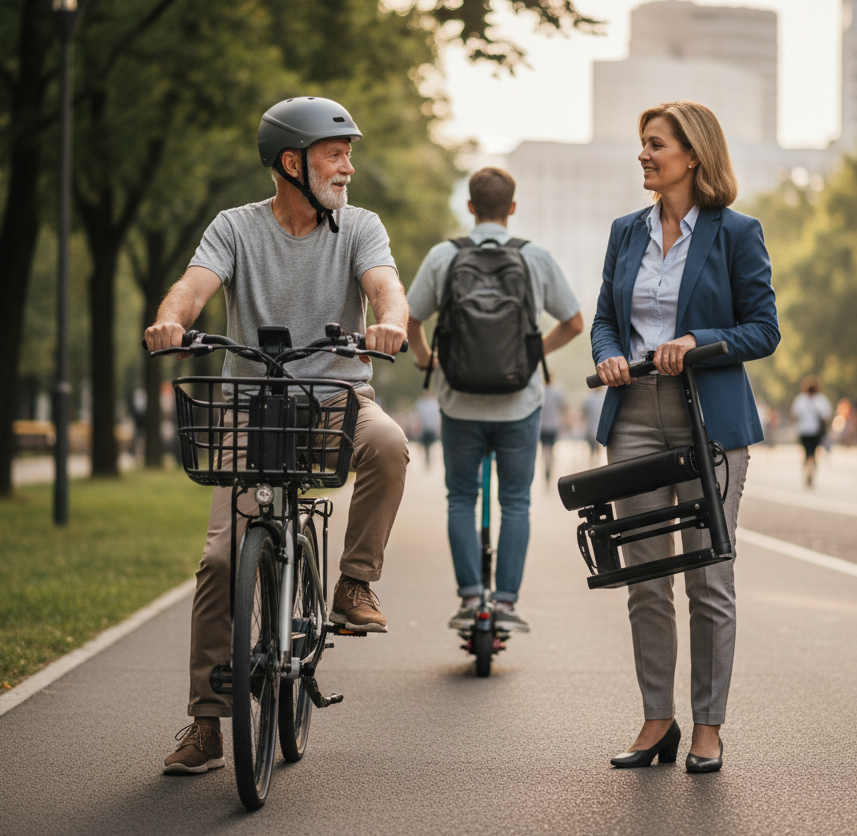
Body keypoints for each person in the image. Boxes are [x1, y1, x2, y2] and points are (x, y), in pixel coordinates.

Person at [145, 96, 410, 775]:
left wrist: (391, 321)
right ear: (291, 163)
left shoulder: (360, 228)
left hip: (336, 401)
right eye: (335, 153)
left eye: (349, 152)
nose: (348, 165)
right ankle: (206, 724)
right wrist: (171, 320)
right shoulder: (235, 228)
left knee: (388, 444)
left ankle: (354, 584)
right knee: (222, 561)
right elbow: (192, 287)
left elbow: (387, 287)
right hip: (248, 407)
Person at [591, 101, 779, 773]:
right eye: (642, 145)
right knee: (645, 579)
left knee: (708, 578)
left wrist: (699, 341)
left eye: (655, 145)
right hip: (634, 417)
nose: (644, 155)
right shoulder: (625, 232)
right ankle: (655, 721)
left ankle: (707, 726)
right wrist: (611, 353)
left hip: (711, 422)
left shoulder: (736, 233)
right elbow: (606, 319)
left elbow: (764, 329)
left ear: (692, 155)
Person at [406, 167, 583, 633]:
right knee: (516, 501)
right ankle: (504, 602)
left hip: (458, 400)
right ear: (512, 208)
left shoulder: (444, 256)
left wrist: (429, 362)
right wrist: (532, 354)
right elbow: (574, 323)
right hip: (519, 403)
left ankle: (468, 598)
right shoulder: (535, 257)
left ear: (469, 207)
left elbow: (410, 318)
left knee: (461, 498)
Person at [790, 376, 832, 487]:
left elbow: (794, 415)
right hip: (813, 431)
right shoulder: (820, 400)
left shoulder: (801, 400)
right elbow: (826, 416)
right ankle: (811, 470)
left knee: (807, 453)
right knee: (812, 453)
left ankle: (808, 471)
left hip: (806, 431)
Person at [539, 382, 567, 482]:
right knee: (551, 447)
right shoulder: (557, 392)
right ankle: (550, 462)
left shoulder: (540, 390)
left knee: (544, 447)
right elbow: (563, 407)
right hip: (554, 425)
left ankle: (546, 462)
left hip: (542, 425)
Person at [415, 393, 441, 468]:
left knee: (429, 446)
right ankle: (427, 460)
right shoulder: (422, 403)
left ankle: (429, 460)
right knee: (426, 446)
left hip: (430, 428)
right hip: (425, 428)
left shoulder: (434, 403)